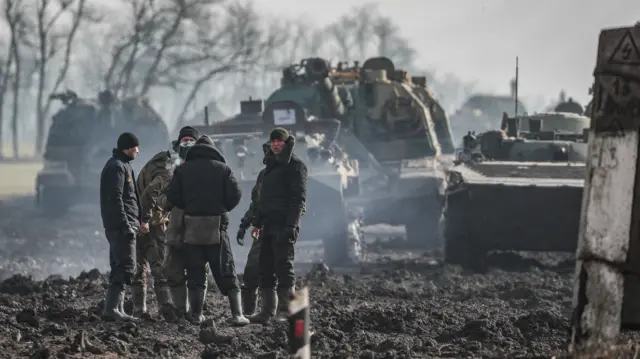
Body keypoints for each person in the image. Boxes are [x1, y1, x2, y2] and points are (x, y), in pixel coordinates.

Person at [165, 135, 248, 325]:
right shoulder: (223, 169)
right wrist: (221, 207)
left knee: (195, 273)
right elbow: (235, 195)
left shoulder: (182, 169)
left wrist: (189, 206)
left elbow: (173, 196)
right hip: (217, 227)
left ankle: (196, 315)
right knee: (226, 270)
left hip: (191, 227)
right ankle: (237, 314)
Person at [248, 128, 307, 324]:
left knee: (284, 267)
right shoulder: (268, 168)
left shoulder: (296, 166)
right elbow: (262, 200)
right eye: (273, 141)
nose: (275, 144)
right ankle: (266, 311)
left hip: (284, 224)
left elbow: (298, 200)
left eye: (279, 141)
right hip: (267, 224)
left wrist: (291, 226)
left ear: (286, 143)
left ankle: (287, 311)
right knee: (265, 267)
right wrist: (256, 223)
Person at [99, 132, 143, 321]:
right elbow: (115, 199)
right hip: (120, 227)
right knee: (126, 267)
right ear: (127, 148)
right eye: (135, 147)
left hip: (124, 225)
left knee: (120, 266)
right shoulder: (117, 167)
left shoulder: (123, 165)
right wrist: (126, 225)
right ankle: (112, 310)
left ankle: (117, 309)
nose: (138, 151)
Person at [161, 126, 203, 317]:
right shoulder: (169, 168)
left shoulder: (206, 166)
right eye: (183, 140)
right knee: (173, 270)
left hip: (198, 228)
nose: (186, 144)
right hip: (175, 227)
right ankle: (180, 309)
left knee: (197, 272)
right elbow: (162, 197)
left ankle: (196, 312)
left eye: (190, 140)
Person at [131, 149, 174, 318]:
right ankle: (165, 308)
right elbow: (149, 194)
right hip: (152, 224)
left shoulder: (154, 165)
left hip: (138, 220)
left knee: (139, 267)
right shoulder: (166, 172)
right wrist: (146, 219)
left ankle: (139, 310)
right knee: (160, 266)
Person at [236, 142, 270, 316]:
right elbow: (256, 203)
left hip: (278, 230)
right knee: (251, 273)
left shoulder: (289, 174)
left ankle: (277, 313)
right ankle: (249, 313)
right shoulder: (263, 175)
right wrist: (245, 223)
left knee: (278, 275)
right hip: (263, 229)